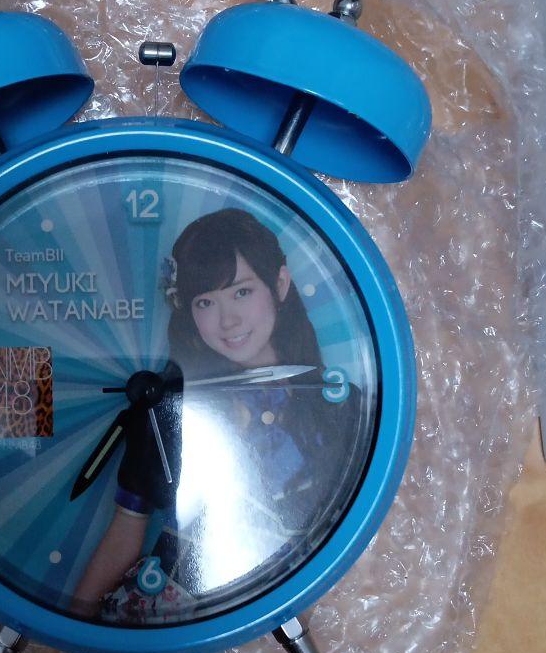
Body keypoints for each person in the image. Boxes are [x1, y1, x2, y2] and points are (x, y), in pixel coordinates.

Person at [73, 208, 362, 622]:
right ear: (187, 311)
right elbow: (126, 529)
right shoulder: (165, 408)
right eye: (206, 302)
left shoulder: (342, 404)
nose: (227, 320)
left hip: (313, 603)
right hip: (172, 607)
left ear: (280, 284)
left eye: (242, 292)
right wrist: (69, 630)